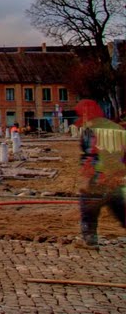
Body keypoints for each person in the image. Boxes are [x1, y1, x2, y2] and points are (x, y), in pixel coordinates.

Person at [75, 99, 126, 249]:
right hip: (115, 176)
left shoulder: (91, 130)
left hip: (98, 177)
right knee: (120, 208)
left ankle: (89, 238)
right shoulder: (115, 127)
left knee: (88, 208)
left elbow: (91, 154)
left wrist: (86, 180)